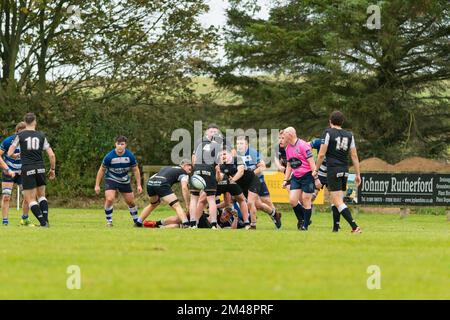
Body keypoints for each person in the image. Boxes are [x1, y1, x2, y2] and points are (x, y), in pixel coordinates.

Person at [314, 111, 362, 233]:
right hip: (344, 170)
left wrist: (315, 169)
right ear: (342, 122)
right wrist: (357, 174)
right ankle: (335, 227)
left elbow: (321, 154)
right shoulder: (350, 135)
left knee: (337, 200)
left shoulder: (328, 132)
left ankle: (354, 227)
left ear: (330, 121)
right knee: (335, 199)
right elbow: (354, 156)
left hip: (333, 169)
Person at [8, 113, 56, 227]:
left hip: (27, 168)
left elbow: (9, 153)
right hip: (40, 167)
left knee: (30, 199)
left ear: (25, 122)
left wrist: (16, 156)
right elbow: (52, 155)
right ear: (35, 122)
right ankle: (46, 221)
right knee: (42, 196)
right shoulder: (41, 136)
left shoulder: (20, 135)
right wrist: (52, 169)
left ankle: (43, 223)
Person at [95, 136, 142, 227]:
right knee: (110, 199)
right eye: (118, 144)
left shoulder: (130, 156)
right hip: (111, 178)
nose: (120, 146)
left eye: (122, 144)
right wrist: (97, 185)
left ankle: (137, 221)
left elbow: (136, 170)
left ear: (125, 145)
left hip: (124, 180)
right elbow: (101, 170)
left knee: (131, 202)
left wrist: (139, 185)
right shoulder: (109, 156)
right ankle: (109, 222)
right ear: (115, 144)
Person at [235, 136, 281, 229]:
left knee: (267, 201)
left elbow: (262, 167)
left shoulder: (253, 153)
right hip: (247, 184)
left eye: (242, 143)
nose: (239, 146)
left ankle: (275, 216)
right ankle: (273, 214)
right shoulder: (235, 154)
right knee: (257, 204)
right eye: (238, 143)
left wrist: (250, 174)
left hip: (258, 180)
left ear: (246, 144)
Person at [135, 159, 192, 228]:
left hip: (150, 183)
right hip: (162, 183)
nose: (191, 169)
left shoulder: (169, 167)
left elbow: (155, 176)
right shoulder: (183, 173)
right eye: (190, 166)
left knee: (153, 204)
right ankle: (186, 224)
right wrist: (187, 204)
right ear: (185, 165)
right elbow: (184, 188)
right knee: (177, 205)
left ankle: (138, 222)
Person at [282, 127, 316, 231]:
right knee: (292, 200)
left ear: (290, 135)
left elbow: (311, 162)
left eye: (284, 135)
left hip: (307, 176)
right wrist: (285, 179)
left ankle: (304, 225)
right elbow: (289, 165)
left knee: (306, 200)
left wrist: (316, 177)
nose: (282, 138)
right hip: (296, 177)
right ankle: (305, 219)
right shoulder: (287, 148)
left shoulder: (303, 145)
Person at [189, 124, 221, 229]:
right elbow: (218, 163)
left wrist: (196, 170)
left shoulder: (199, 142)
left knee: (194, 198)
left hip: (197, 169)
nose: (213, 134)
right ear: (207, 132)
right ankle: (213, 224)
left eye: (215, 132)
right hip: (209, 169)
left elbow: (193, 159)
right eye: (212, 131)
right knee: (211, 199)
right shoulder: (218, 145)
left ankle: (193, 224)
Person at [0, 122, 30, 226]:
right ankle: (5, 221)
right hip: (9, 171)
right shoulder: (8, 141)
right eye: (21, 133)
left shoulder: (28, 142)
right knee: (6, 196)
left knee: (27, 197)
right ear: (17, 132)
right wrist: (7, 169)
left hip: (22, 172)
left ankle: (24, 219)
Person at [215, 148, 251, 229]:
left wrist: (233, 180)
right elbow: (218, 179)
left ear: (230, 154)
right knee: (206, 197)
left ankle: (247, 223)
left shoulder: (237, 159)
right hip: (224, 184)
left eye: (224, 154)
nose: (222, 156)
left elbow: (241, 171)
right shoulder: (220, 165)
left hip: (234, 183)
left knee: (241, 199)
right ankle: (212, 222)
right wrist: (217, 172)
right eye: (220, 155)